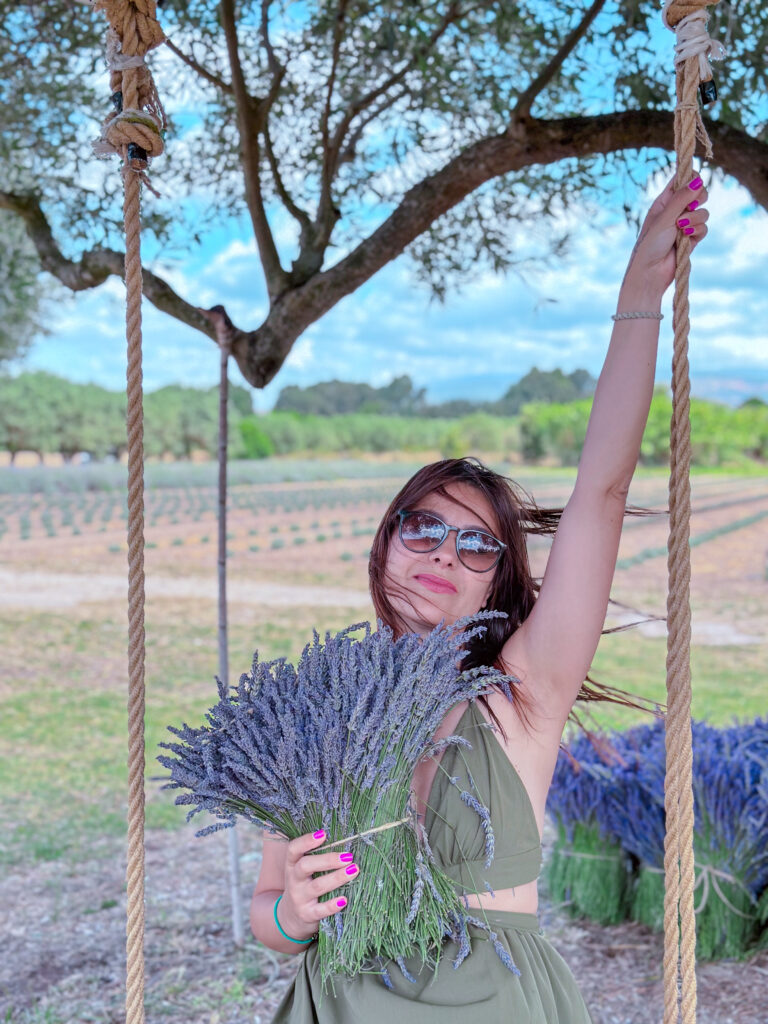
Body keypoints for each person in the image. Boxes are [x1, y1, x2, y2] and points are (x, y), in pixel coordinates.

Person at [249, 174, 709, 1022]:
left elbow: (601, 489)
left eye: (475, 543)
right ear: (385, 539)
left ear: (498, 580)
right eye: (421, 526)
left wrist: (639, 295)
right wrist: (293, 913)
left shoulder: (522, 693)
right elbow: (270, 914)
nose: (442, 553)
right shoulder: (311, 713)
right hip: (342, 1002)